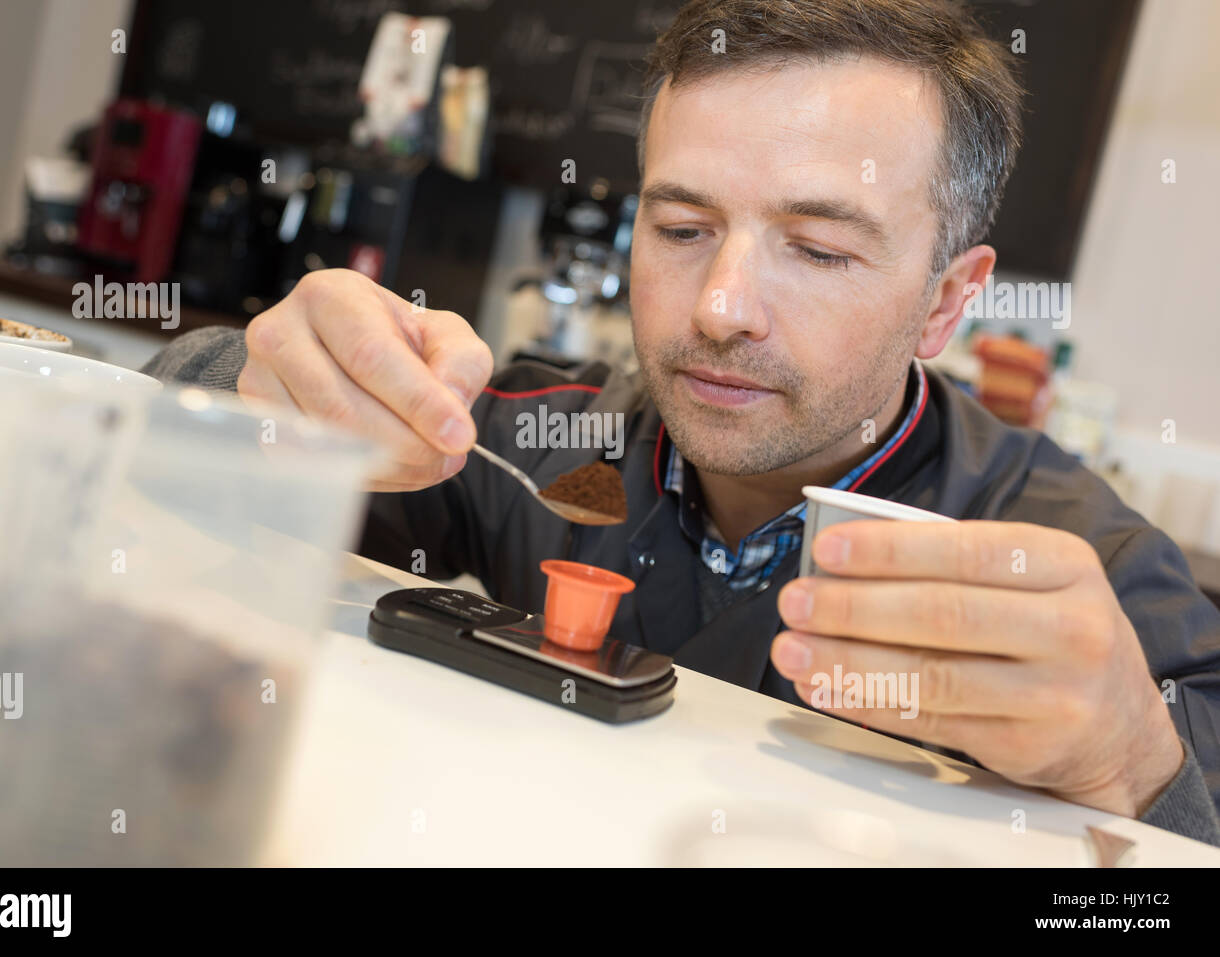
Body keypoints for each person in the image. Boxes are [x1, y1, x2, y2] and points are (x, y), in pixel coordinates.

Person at [143, 0, 1220, 845]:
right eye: (681, 226)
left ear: (944, 300)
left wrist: (1133, 763)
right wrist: (253, 381)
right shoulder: (541, 443)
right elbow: (148, 451)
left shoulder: (1075, 559)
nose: (720, 307)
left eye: (820, 250)